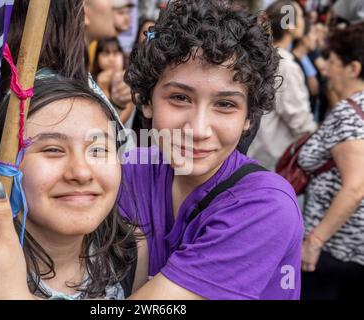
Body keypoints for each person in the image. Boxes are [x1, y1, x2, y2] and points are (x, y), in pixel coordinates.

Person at [119, 0, 304, 299]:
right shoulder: (127, 171)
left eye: (225, 104)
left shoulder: (266, 206)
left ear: (248, 118)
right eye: (179, 98)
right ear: (147, 101)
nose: (198, 129)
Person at [0, 77, 139, 300]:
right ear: (2, 168)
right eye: (53, 150)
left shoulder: (129, 252)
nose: (81, 173)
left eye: (97, 150)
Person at [298, 22, 364, 300]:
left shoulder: (349, 114)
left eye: (334, 61)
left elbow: (356, 186)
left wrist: (315, 241)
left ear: (354, 69)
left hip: (335, 253)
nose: (325, 68)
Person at [248, 0, 317, 170]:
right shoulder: (286, 66)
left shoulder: (259, 56)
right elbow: (299, 120)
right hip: (275, 159)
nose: (303, 21)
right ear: (289, 25)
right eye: (300, 16)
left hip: (256, 149)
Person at [92, 37, 135, 124]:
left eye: (115, 53)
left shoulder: (128, 84)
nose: (111, 59)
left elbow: (114, 124)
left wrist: (104, 89)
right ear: (97, 59)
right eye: (106, 53)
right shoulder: (90, 82)